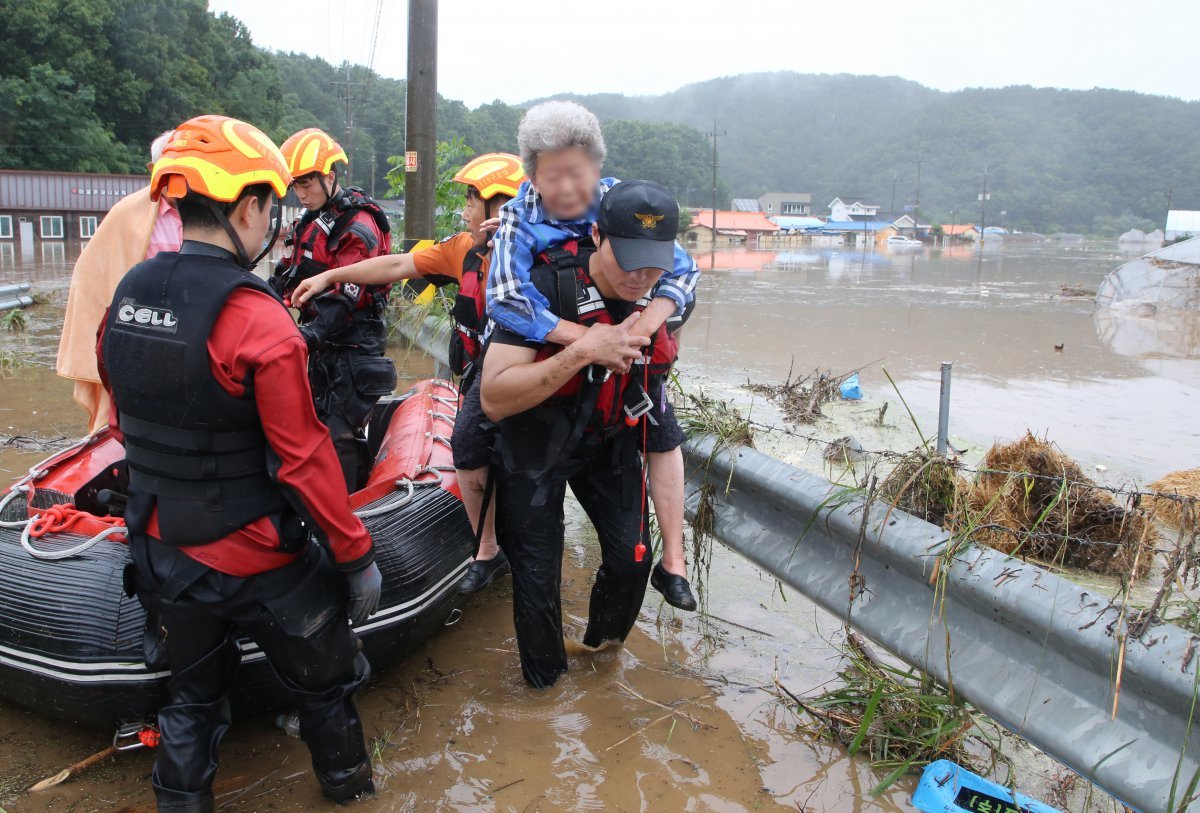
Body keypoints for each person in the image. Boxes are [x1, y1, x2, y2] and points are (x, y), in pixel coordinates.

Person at [97, 115, 381, 811]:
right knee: (328, 679)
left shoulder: (127, 296)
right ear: (249, 206)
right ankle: (348, 791)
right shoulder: (257, 318)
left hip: (165, 549)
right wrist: (354, 554)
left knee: (189, 703)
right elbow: (305, 457)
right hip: (257, 558)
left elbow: (122, 411)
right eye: (268, 210)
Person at [489, 101, 698, 611]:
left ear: (597, 170)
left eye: (576, 174)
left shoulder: (620, 206)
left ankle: (659, 579)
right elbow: (505, 297)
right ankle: (482, 550)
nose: (565, 189)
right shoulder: (518, 219)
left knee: (631, 550)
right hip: (539, 365)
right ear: (532, 175)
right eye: (550, 175)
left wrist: (639, 330)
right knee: (475, 435)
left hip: (610, 395)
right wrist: (585, 343)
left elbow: (685, 270)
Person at [480, 179, 684, 688]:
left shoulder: (663, 292)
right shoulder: (541, 288)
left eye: (654, 261)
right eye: (630, 257)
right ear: (597, 234)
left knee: (631, 560)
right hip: (534, 443)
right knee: (537, 578)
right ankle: (544, 692)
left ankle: (598, 659)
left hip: (609, 438)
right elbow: (495, 396)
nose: (641, 275)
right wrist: (582, 351)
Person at [291, 153, 526, 595]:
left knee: (523, 470)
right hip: (482, 375)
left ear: (504, 207)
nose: (466, 209)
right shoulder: (463, 249)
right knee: (470, 453)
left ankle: (522, 551)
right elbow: (398, 265)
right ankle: (489, 549)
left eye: (474, 200)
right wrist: (331, 276)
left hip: (527, 380)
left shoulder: (540, 259)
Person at [270, 127, 397, 491]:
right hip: (322, 348)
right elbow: (288, 273)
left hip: (355, 347)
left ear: (329, 176)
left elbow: (345, 295)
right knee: (310, 426)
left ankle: (353, 513)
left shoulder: (357, 225)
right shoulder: (312, 221)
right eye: (295, 185)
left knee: (339, 433)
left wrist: (303, 336)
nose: (301, 193)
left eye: (307, 184)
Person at [57, 130, 183, 432]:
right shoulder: (127, 214)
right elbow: (92, 278)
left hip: (190, 338)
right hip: (142, 337)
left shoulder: (210, 213)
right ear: (153, 171)